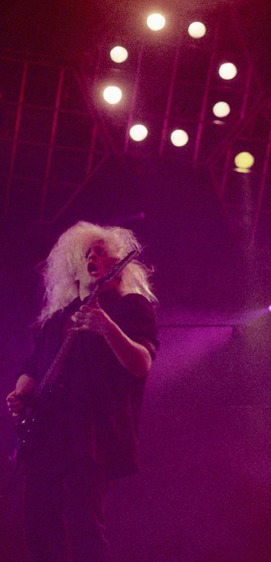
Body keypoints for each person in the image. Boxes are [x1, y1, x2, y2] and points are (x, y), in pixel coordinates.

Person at [5, 221, 159, 562]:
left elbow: (141, 363)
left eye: (102, 253)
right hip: (48, 434)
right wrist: (20, 393)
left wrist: (105, 326)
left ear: (117, 264)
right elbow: (32, 367)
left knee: (83, 527)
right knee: (39, 527)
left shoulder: (131, 308)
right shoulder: (57, 319)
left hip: (89, 435)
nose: (94, 257)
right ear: (75, 268)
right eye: (86, 254)